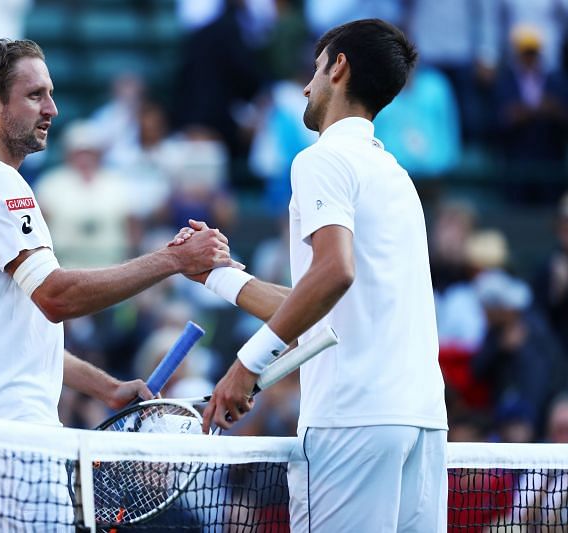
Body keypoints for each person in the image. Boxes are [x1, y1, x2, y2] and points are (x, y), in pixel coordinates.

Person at [0, 38, 237, 530]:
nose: (52, 108)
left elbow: (24, 332)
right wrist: (174, 260)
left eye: (49, 93)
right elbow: (56, 297)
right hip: (9, 444)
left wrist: (107, 386)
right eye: (34, 96)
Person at [181, 19, 448, 531]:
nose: (307, 85)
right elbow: (325, 307)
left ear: (339, 67)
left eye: (315, 69)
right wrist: (219, 277)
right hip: (421, 424)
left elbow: (333, 273)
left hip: (352, 421)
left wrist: (246, 365)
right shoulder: (397, 177)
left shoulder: (320, 160)